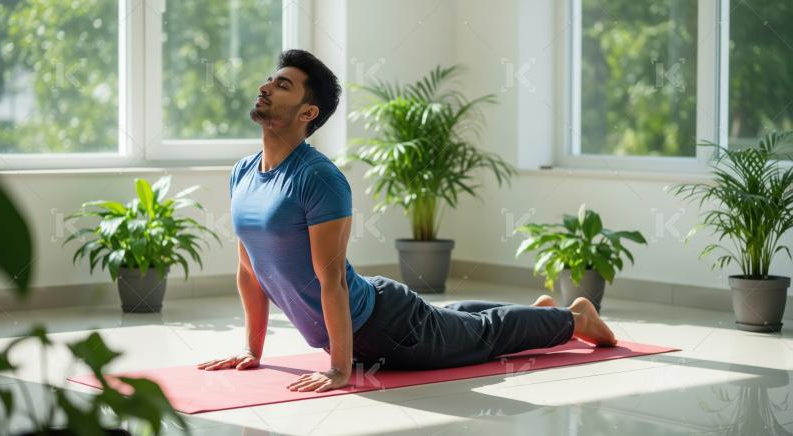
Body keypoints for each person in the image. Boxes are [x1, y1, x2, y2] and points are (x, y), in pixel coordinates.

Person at [196, 49, 617, 393]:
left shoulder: (319, 177)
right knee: (456, 320)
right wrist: (252, 350)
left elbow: (333, 281)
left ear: (308, 112)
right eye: (270, 80)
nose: (265, 86)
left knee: (482, 336)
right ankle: (536, 314)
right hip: (371, 319)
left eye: (281, 84)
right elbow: (250, 269)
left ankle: (576, 317)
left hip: (385, 327)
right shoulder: (244, 172)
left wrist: (340, 370)